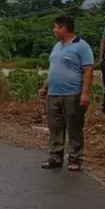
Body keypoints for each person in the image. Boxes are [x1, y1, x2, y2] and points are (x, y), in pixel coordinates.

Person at [38, 15, 94, 172]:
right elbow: (53, 70)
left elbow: (88, 71)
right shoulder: (57, 46)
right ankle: (55, 156)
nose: (53, 30)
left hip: (72, 94)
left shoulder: (81, 46)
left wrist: (85, 94)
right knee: (55, 126)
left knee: (74, 126)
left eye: (56, 27)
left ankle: (75, 158)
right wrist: (45, 87)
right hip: (54, 93)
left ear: (64, 28)